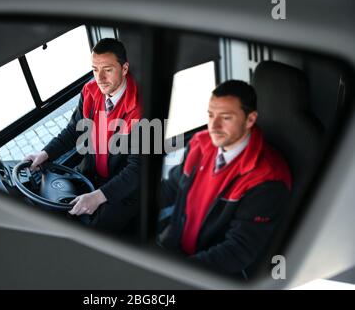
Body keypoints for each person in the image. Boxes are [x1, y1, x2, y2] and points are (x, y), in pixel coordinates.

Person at [158, 80, 292, 277]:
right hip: (177, 244)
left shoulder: (268, 178)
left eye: (226, 118)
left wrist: (181, 273)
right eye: (211, 116)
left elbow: (237, 250)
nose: (214, 126)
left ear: (250, 120)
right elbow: (171, 188)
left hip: (214, 272)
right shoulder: (200, 144)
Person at [26, 38, 142, 233]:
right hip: (90, 173)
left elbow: (137, 170)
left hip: (124, 187)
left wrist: (98, 197)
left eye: (107, 69)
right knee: (54, 206)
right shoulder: (90, 92)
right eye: (95, 70)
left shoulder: (141, 110)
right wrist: (44, 154)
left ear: (124, 69)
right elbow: (74, 131)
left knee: (92, 229)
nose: (100, 78)